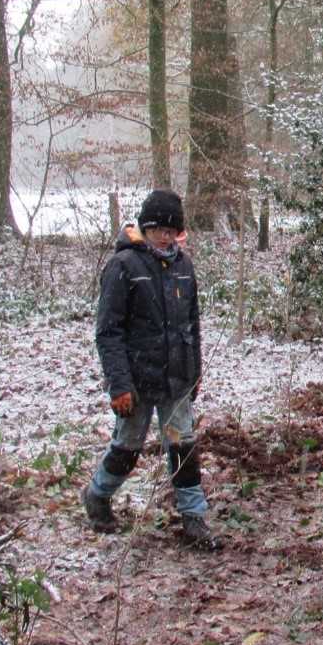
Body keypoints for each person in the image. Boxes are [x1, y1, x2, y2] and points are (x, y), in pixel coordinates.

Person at [80, 189, 221, 549]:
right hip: (137, 381)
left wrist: (194, 373)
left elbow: (192, 324)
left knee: (183, 448)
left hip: (176, 380)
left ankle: (193, 518)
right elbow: (108, 332)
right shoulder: (123, 266)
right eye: (158, 229)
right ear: (144, 227)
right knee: (127, 448)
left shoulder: (184, 266)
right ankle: (97, 494)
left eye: (171, 231)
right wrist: (119, 385)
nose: (164, 236)